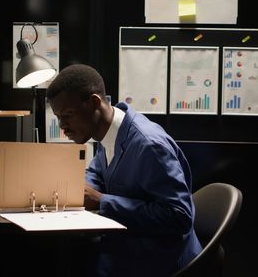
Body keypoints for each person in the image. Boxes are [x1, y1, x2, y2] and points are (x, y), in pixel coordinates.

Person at [46, 64, 202, 277]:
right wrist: (80, 188)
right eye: (58, 117)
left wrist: (102, 201)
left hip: (161, 263)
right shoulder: (107, 131)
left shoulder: (149, 146)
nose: (62, 126)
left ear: (94, 103)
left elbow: (179, 216)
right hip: (130, 249)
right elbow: (99, 172)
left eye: (68, 115)